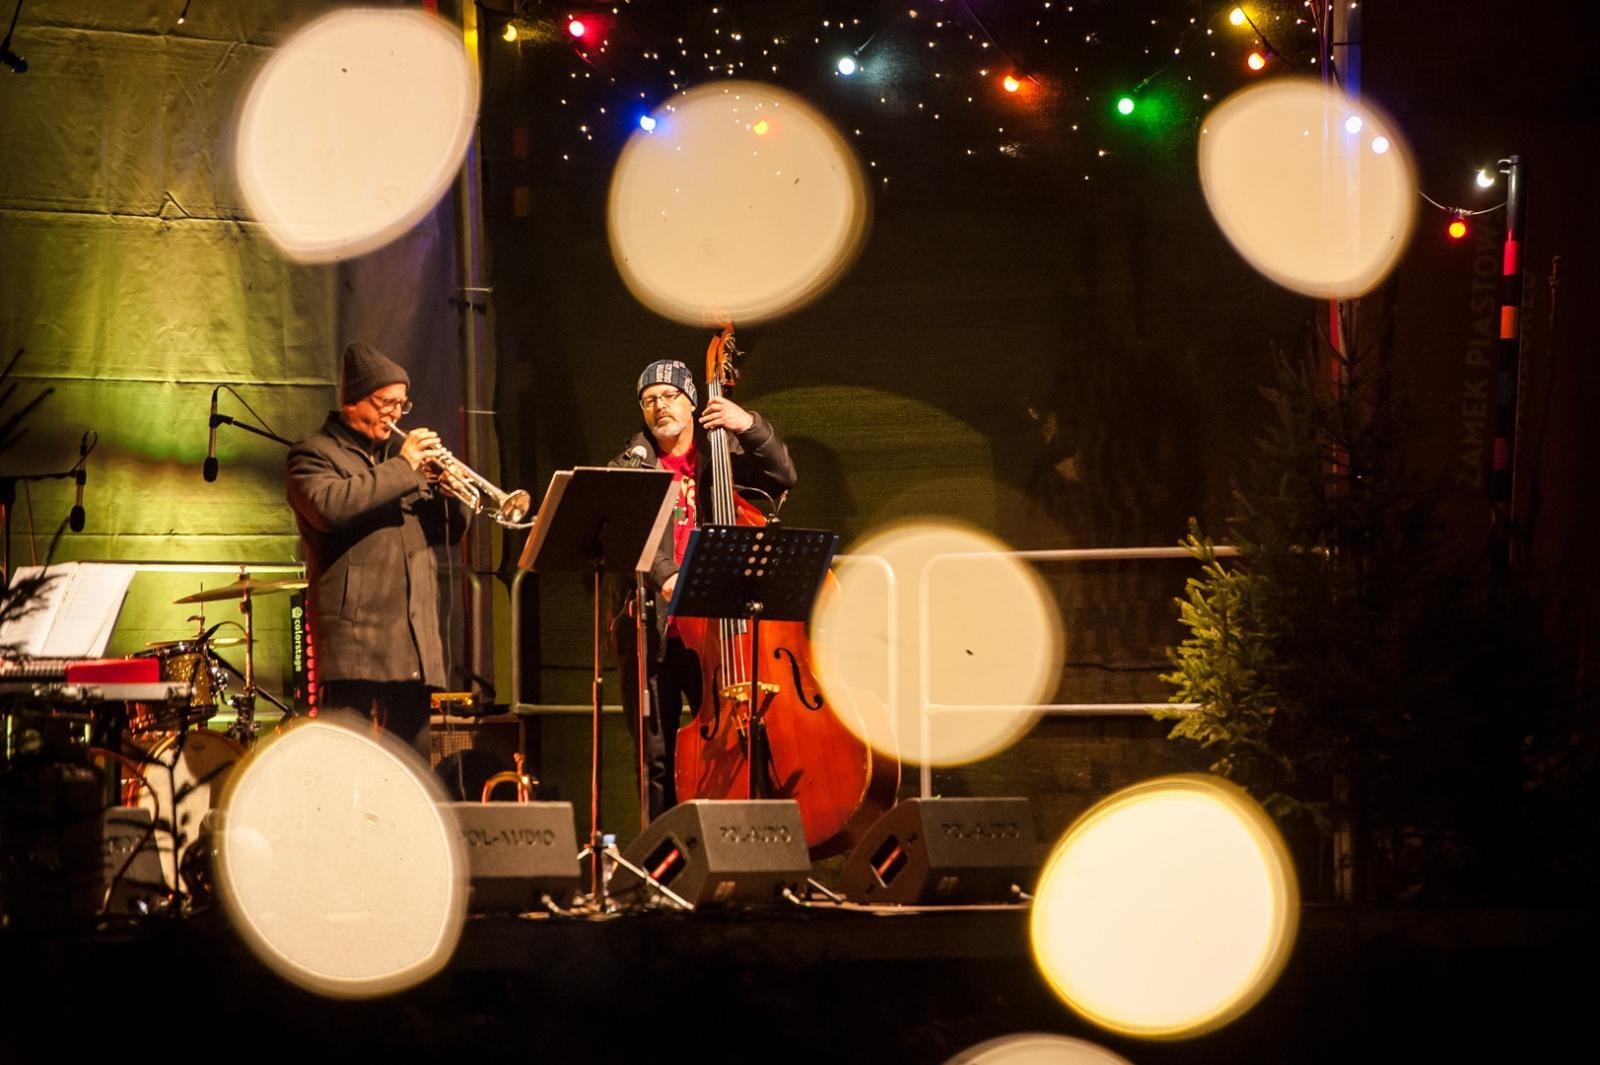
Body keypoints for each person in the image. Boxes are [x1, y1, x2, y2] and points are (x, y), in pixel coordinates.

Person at [610, 358, 797, 821]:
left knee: (730, 743)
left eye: (670, 396)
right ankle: (659, 862)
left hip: (719, 633)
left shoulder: (724, 452)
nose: (659, 407)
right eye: (649, 400)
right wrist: (666, 575)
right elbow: (629, 531)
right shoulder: (628, 463)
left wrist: (749, 424)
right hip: (653, 630)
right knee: (654, 756)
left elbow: (782, 476)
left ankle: (732, 841)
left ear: (692, 402)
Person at [286, 342, 473, 760]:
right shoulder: (313, 454)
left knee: (413, 774)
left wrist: (449, 493)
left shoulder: (398, 464)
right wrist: (405, 468)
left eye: (401, 405)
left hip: (412, 646)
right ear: (352, 401)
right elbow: (330, 508)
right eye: (385, 402)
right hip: (356, 647)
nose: (394, 414)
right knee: (343, 767)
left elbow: (451, 531)